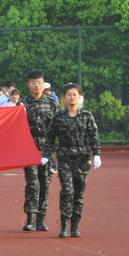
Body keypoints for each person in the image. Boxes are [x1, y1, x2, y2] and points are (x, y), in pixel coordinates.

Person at [43, 83, 101, 237]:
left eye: (75, 94)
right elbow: (49, 138)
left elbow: (93, 136)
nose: (72, 97)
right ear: (64, 98)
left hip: (82, 159)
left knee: (78, 194)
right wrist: (46, 155)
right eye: (69, 94)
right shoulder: (59, 117)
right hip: (65, 159)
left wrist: (96, 154)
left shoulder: (87, 116)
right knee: (67, 191)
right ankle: (65, 225)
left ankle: (75, 226)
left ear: (80, 97)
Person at [20, 70, 60, 232]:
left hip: (47, 149)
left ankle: (41, 219)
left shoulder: (52, 103)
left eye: (39, 83)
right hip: (29, 147)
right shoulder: (22, 105)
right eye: (34, 83)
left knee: (45, 183)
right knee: (32, 183)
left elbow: (59, 125)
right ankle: (30, 217)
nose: (37, 86)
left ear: (44, 84)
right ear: (28, 85)